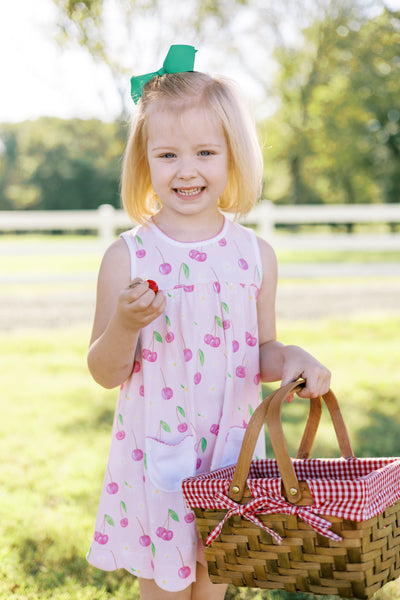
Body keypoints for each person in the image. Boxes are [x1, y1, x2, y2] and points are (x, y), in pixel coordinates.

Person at [86, 44, 331, 600]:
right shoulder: (129, 258)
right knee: (168, 588)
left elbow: (262, 352)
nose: (187, 170)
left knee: (214, 580)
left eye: (205, 152)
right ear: (144, 160)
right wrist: (125, 325)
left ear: (232, 156)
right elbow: (103, 371)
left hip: (231, 456)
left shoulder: (254, 255)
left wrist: (295, 359)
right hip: (160, 454)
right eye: (167, 155)